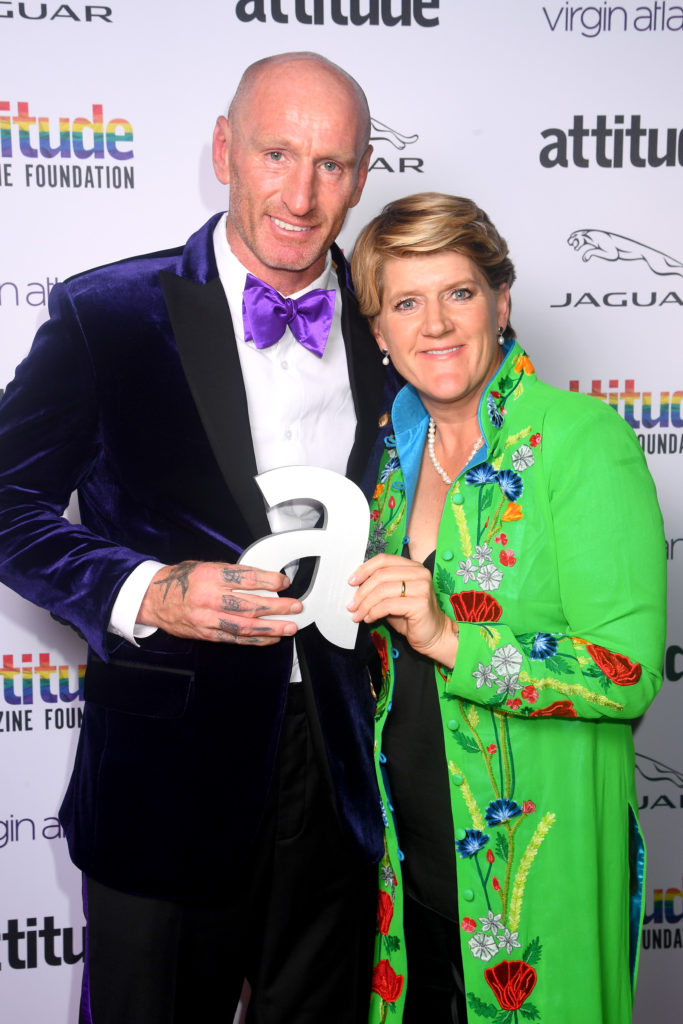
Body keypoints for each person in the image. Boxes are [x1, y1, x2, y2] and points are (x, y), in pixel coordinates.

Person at [0, 52, 397, 1024]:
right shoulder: (110, 317)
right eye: (275, 152)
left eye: (331, 164)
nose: (301, 194)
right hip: (166, 776)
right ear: (225, 149)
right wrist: (147, 590)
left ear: (360, 174)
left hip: (339, 769)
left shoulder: (397, 320)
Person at [348, 192, 666, 1023]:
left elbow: (624, 674)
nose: (436, 325)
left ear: (501, 301)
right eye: (405, 303)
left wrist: (450, 635)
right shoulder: (383, 461)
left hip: (534, 871)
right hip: (405, 872)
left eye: (458, 292)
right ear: (377, 332)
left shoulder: (580, 438)